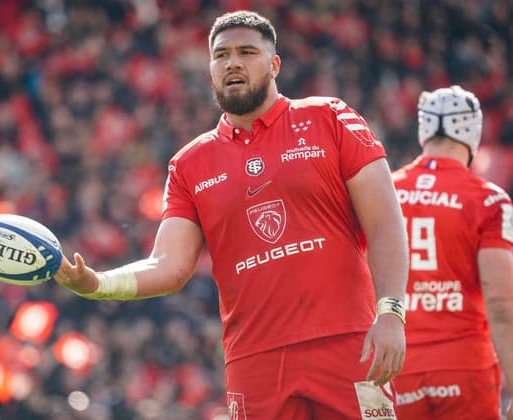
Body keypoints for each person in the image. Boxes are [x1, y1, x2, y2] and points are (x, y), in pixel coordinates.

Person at [55, 10, 408, 419]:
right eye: (221, 55)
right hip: (253, 361)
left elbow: (385, 221)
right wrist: (99, 283)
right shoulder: (189, 163)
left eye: (246, 52)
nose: (233, 63)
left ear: (274, 64)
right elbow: (168, 264)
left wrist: (391, 312)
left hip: (349, 344)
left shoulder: (330, 117)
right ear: (210, 70)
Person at [391, 85, 513, 420]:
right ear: (472, 132)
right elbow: (501, 304)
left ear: (423, 130)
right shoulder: (488, 200)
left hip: (397, 369)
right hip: (465, 368)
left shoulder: (384, 192)